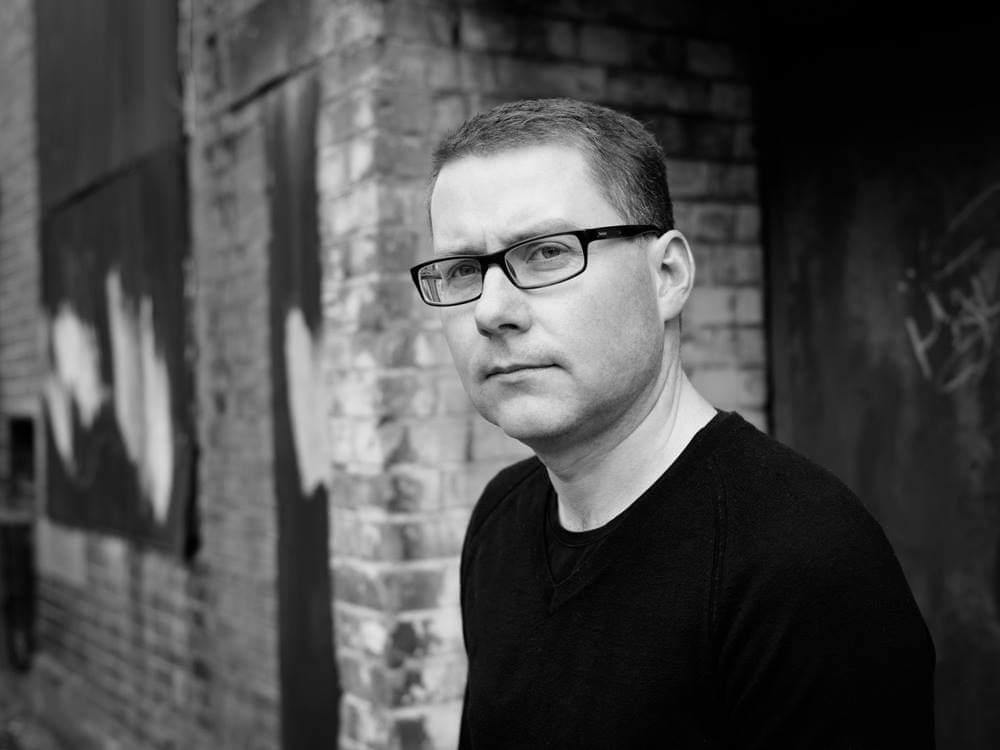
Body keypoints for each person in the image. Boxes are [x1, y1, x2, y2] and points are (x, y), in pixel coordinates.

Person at [409, 98, 935, 748]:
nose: (492, 311)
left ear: (668, 275)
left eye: (546, 252)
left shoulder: (804, 565)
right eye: (463, 269)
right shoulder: (500, 520)